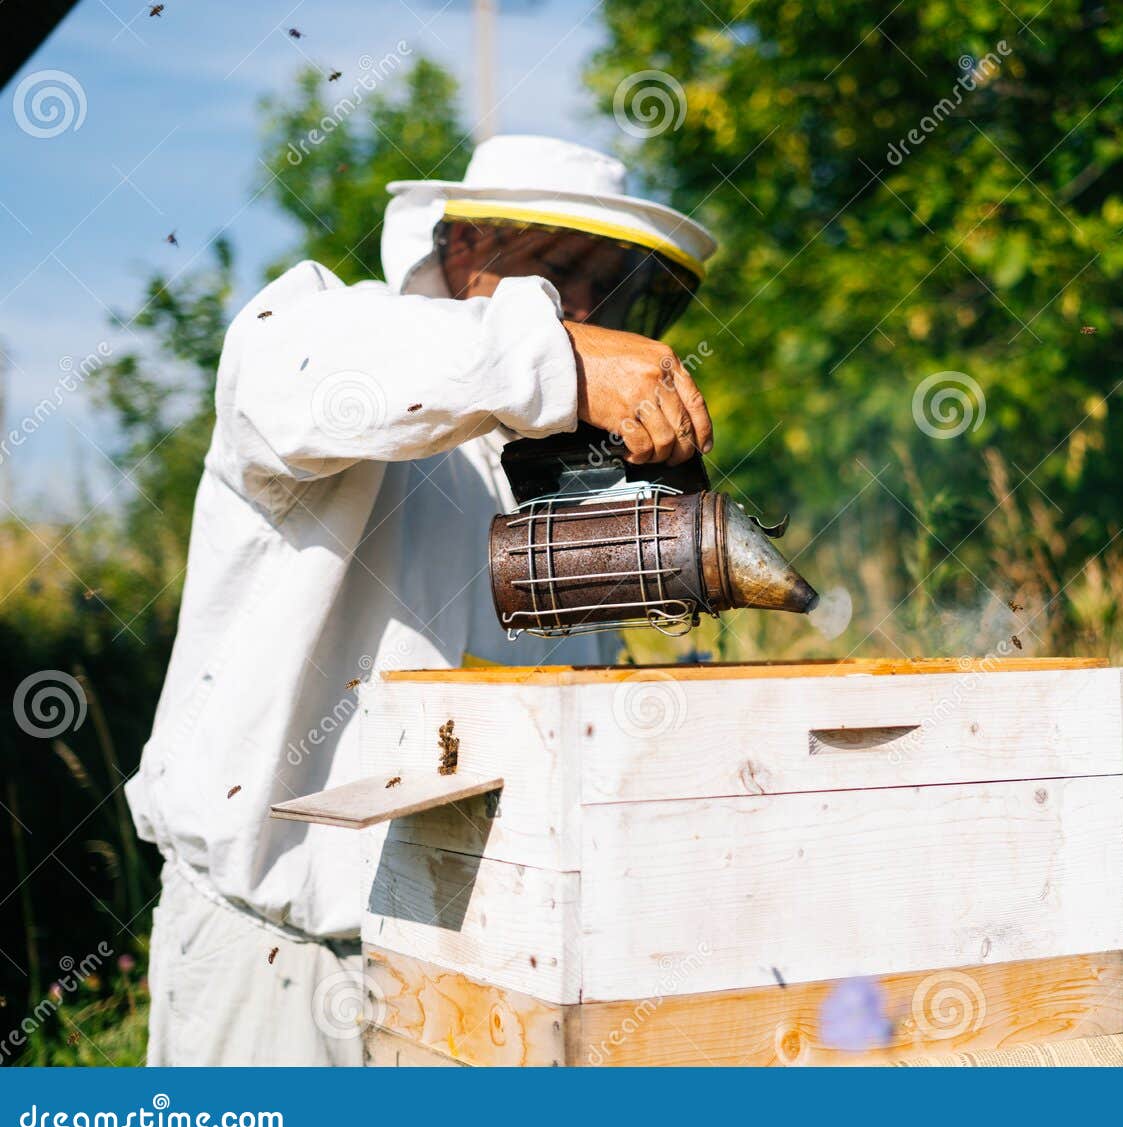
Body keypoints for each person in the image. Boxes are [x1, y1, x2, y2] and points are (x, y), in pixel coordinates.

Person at [127, 135, 718, 1065]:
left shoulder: (559, 472)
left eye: (610, 289)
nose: (589, 312)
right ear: (462, 253)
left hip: (480, 966)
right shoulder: (337, 341)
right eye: (559, 275)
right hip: (278, 965)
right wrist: (551, 352)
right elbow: (291, 371)